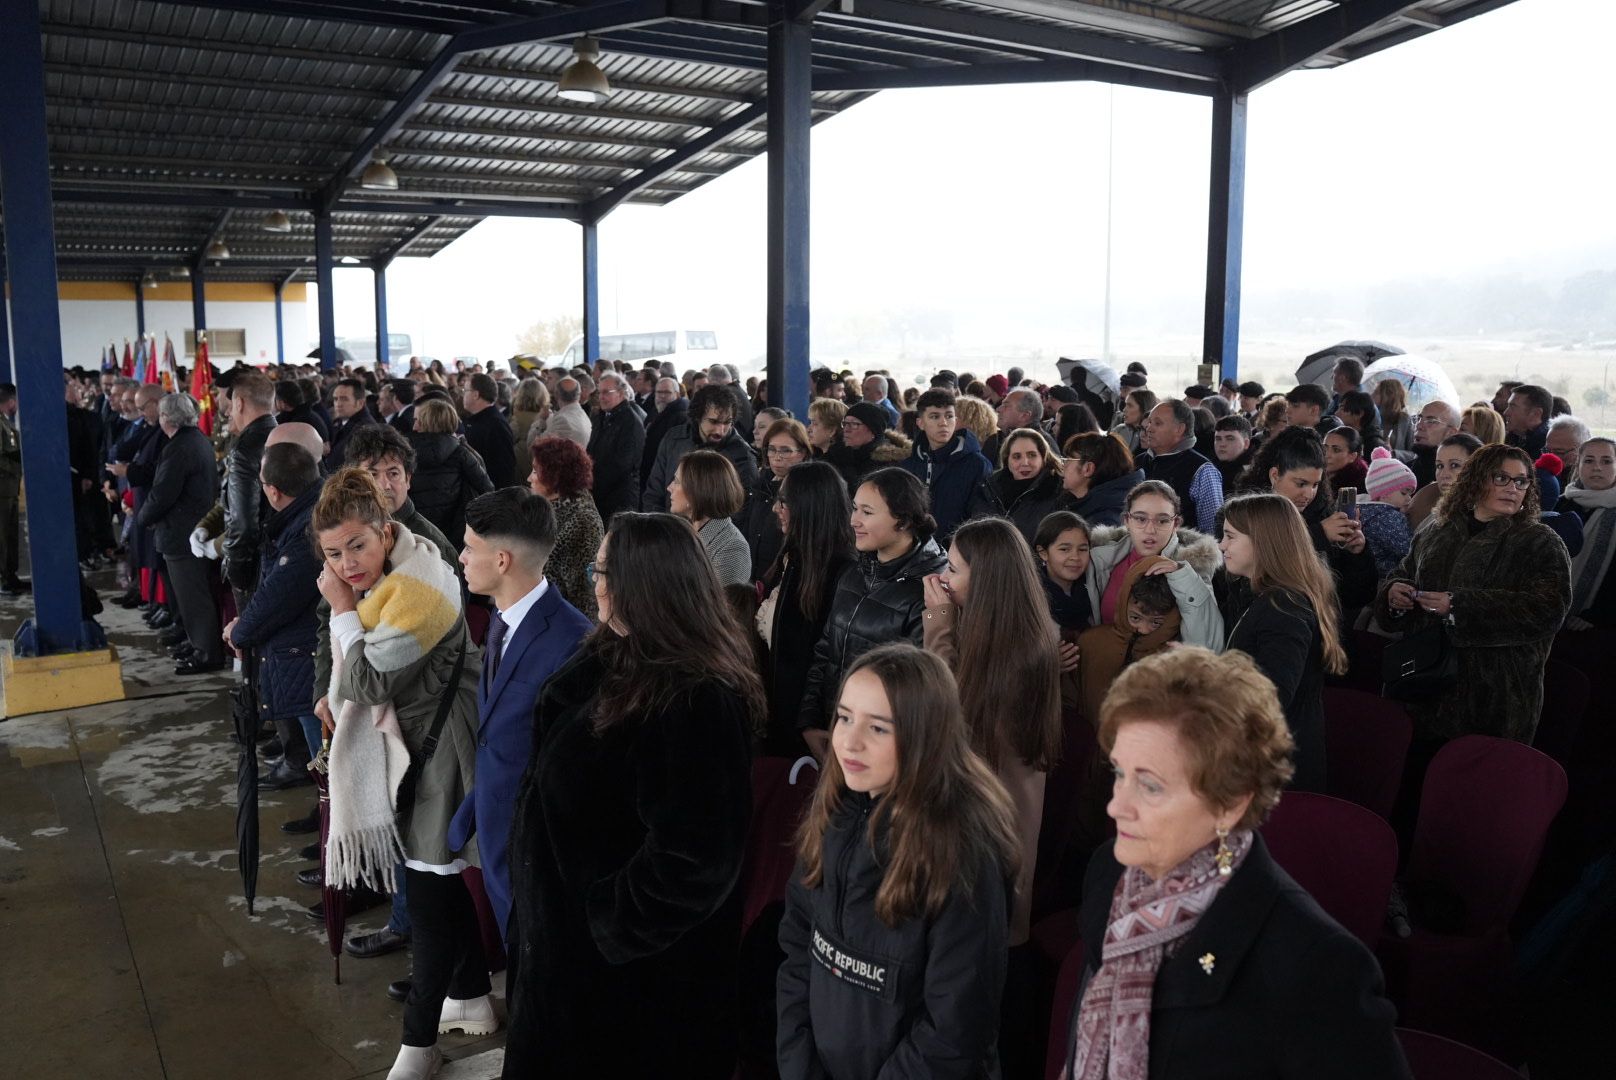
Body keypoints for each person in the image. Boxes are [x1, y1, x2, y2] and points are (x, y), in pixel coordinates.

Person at [1060, 647, 1410, 1080]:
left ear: (1230, 803)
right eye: (1118, 773)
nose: (1116, 807)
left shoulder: (1320, 969)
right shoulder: (1110, 872)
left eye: (1149, 786)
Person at [503, 512, 762, 1078]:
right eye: (598, 569)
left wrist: (603, 927)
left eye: (607, 572)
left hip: (630, 994)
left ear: (650, 584)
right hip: (567, 968)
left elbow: (697, 857)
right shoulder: (611, 655)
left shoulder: (697, 697)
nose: (596, 584)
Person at [776, 644, 1019, 1080]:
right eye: (845, 717)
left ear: (923, 736)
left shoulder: (963, 852)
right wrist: (800, 1066)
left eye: (879, 728)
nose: (849, 741)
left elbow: (954, 1030)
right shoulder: (833, 810)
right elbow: (797, 947)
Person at [312, 468, 483, 1080]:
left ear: (386, 533)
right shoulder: (385, 580)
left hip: (443, 754)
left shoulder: (421, 586)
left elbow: (366, 679)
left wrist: (339, 612)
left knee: (433, 894)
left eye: (357, 545)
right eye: (333, 554)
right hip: (412, 750)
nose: (347, 564)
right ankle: (473, 994)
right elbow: (343, 667)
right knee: (434, 884)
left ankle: (418, 1044)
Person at [449, 488, 591, 947]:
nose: (462, 556)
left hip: (536, 850)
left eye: (471, 546)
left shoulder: (573, 642)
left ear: (503, 560)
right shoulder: (502, 618)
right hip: (497, 835)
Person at [920, 518, 1061, 952]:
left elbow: (949, 714)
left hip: (993, 831)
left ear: (988, 580)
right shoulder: (1003, 629)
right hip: (983, 819)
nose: (944, 579)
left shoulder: (1024, 651)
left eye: (955, 569)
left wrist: (937, 623)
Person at [1375, 443, 1572, 745]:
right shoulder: (1438, 529)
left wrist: (1459, 607)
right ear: (1477, 479)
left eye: (1521, 481)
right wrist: (1394, 593)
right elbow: (1404, 570)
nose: (1512, 488)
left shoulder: (1540, 542)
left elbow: (1548, 609)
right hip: (1423, 687)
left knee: (1477, 784)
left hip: (1495, 696)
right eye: (1501, 478)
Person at [798, 468, 946, 749]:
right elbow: (825, 650)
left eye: (867, 512)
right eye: (854, 509)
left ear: (902, 521)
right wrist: (811, 721)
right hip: (836, 729)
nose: (854, 521)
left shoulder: (929, 590)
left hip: (884, 744)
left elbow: (920, 688)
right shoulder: (854, 572)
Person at [1216, 494, 1347, 792]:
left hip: (1275, 774)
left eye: (1229, 536)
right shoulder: (1275, 597)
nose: (1222, 545)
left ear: (1263, 542)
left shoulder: (1281, 607)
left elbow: (1270, 697)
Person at [224, 441, 323, 778]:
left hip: (308, 658)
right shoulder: (307, 515)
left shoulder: (306, 531)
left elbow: (278, 595)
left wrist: (240, 630)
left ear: (273, 491)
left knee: (325, 760)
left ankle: (328, 821)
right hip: (304, 654)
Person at [758, 461, 857, 758]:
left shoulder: (842, 572)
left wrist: (808, 720)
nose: (776, 508)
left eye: (785, 502)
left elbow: (830, 657)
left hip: (807, 730)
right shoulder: (792, 557)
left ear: (810, 506)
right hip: (779, 719)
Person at [1236, 426, 1377, 611]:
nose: (1308, 493)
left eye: (1315, 484)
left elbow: (1354, 597)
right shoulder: (1242, 514)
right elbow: (1254, 571)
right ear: (1275, 475)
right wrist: (1318, 534)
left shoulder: (1323, 514)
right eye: (1301, 483)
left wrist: (1357, 554)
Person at [139, 394, 223, 675]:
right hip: (190, 530)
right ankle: (196, 642)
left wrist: (143, 517)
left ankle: (207, 653)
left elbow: (163, 492)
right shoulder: (195, 439)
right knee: (189, 595)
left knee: (193, 597)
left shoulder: (179, 448)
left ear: (166, 418)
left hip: (183, 533)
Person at [1084, 480, 1222, 649]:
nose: (1150, 530)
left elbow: (1209, 647)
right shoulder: (1100, 556)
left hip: (1160, 672)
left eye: (1162, 521)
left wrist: (1182, 577)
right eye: (1141, 519)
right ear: (1127, 520)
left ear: (1175, 524)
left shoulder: (1192, 566)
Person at [1076, 561, 1181, 725]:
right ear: (1123, 602)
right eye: (1135, 618)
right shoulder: (1090, 642)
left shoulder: (1170, 661)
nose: (1143, 629)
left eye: (1156, 623)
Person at [644, 383, 759, 512]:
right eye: (713, 421)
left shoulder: (743, 455)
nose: (720, 430)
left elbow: (743, 511)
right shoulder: (674, 438)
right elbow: (654, 493)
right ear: (698, 417)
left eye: (727, 423)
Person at [900, 387, 991, 541]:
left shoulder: (977, 464)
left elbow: (980, 518)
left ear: (956, 421)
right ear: (920, 423)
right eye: (934, 416)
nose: (943, 423)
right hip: (914, 552)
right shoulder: (909, 466)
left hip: (956, 553)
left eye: (949, 416)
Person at [218, 371, 278, 606]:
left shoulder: (245, 449)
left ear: (239, 403)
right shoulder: (284, 435)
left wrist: (237, 573)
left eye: (231, 406)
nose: (228, 412)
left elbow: (243, 523)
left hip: (257, 564)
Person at [527, 435, 603, 620]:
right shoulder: (545, 510)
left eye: (536, 472)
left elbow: (584, 598)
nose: (529, 478)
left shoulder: (583, 521)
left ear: (555, 477)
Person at [407, 399, 494, 550]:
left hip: (416, 534)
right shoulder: (463, 453)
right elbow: (487, 489)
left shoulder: (406, 455)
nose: (414, 426)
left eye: (417, 421)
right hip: (456, 536)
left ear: (424, 423)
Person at [668, 449, 751, 588]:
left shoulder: (732, 547)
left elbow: (725, 606)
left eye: (676, 481)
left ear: (697, 490)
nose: (669, 487)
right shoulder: (682, 532)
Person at [739, 417, 809, 580]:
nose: (777, 457)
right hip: (753, 578)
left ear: (802, 453)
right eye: (772, 449)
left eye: (785, 450)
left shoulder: (807, 493)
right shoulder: (761, 485)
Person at [1140, 400, 1223, 535]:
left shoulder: (1201, 469)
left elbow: (1212, 529)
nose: (1149, 428)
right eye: (1149, 422)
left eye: (1157, 423)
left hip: (1184, 551)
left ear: (1179, 429)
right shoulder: (1139, 462)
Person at [976, 426, 1065, 544]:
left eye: (1032, 455)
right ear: (1007, 460)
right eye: (1017, 457)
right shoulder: (989, 489)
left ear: (1043, 458)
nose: (1025, 463)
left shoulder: (1058, 490)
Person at [1561, 438, 1616, 629]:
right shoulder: (1563, 504)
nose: (1597, 468)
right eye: (1589, 460)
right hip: (1550, 610)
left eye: (1607, 461)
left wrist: (1595, 615)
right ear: (1579, 465)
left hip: (1601, 620)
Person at [584, 371, 645, 521]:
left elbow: (623, 465)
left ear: (621, 393)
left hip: (619, 499)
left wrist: (594, 484)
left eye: (606, 392)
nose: (601, 397)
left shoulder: (630, 422)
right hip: (599, 494)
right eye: (599, 392)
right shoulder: (602, 417)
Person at [1059, 432, 1144, 529]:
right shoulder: (1086, 503)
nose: (1062, 465)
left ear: (1088, 469)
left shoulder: (1104, 522)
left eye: (1067, 459)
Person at [825, 400, 912, 493]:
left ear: (873, 431)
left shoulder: (888, 464)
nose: (846, 429)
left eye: (854, 424)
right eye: (845, 424)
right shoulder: (838, 451)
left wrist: (847, 466)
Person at [1359, 448, 1418, 576]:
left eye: (1410, 493)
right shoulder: (1386, 517)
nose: (1409, 498)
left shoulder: (1368, 510)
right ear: (1384, 493)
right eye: (1404, 492)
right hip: (1386, 576)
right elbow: (1408, 549)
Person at [1407, 432, 1482, 532]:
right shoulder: (1427, 501)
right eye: (1439, 466)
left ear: (1478, 468)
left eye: (1455, 465)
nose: (1443, 474)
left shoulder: (1489, 515)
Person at [459, 373, 516, 488]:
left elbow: (504, 470)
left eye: (465, 390)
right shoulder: (476, 420)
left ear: (476, 394)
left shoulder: (496, 424)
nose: (463, 394)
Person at [0, 384, 26, 595]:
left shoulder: (4, 422)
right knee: (2, 536)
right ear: (10, 402)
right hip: (2, 488)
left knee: (10, 535)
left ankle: (10, 575)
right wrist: (20, 467)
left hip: (9, 489)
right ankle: (4, 579)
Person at [325, 377, 375, 471]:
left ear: (360, 403)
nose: (338, 404)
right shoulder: (340, 421)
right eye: (336, 399)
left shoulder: (366, 430)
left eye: (344, 399)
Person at [509, 378, 549, 480]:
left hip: (520, 457)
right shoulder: (547, 413)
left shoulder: (516, 414)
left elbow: (511, 436)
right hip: (541, 456)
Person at [991, 388, 1042, 465]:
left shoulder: (1040, 444)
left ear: (1024, 416)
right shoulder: (999, 438)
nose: (998, 409)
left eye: (1006, 406)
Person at [1503, 383, 1553, 456]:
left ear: (1536, 414)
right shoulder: (1514, 437)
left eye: (1513, 407)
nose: (1505, 413)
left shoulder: (1550, 445)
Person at [545, 377, 592, 450]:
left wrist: (541, 420)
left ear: (556, 395)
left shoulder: (562, 420)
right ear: (579, 395)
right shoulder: (584, 416)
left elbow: (538, 448)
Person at [1211, 413, 1255, 490]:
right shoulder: (1208, 468)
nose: (1222, 444)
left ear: (1246, 443)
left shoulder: (1254, 473)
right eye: (1218, 439)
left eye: (1230, 438)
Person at [1112, 388, 1156, 456]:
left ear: (1143, 408)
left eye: (1130, 406)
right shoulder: (1119, 430)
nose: (1124, 410)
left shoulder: (1152, 437)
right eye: (1125, 404)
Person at [1373, 378, 1414, 453]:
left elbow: (1412, 453)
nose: (1372, 395)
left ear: (1388, 396)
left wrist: (1393, 453)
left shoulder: (1404, 420)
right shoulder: (1372, 415)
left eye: (1376, 392)